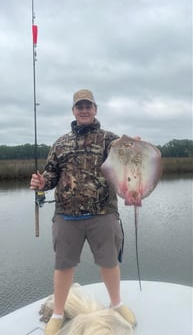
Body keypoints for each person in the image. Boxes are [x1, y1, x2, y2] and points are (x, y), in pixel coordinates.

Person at [30, 89, 137, 335]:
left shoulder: (111, 139)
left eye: (88, 106)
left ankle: (117, 304)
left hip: (103, 213)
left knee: (109, 263)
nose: (85, 110)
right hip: (67, 215)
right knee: (63, 265)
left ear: (96, 109)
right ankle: (57, 313)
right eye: (80, 106)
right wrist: (41, 182)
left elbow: (128, 164)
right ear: (74, 111)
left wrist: (134, 147)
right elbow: (51, 174)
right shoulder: (60, 143)